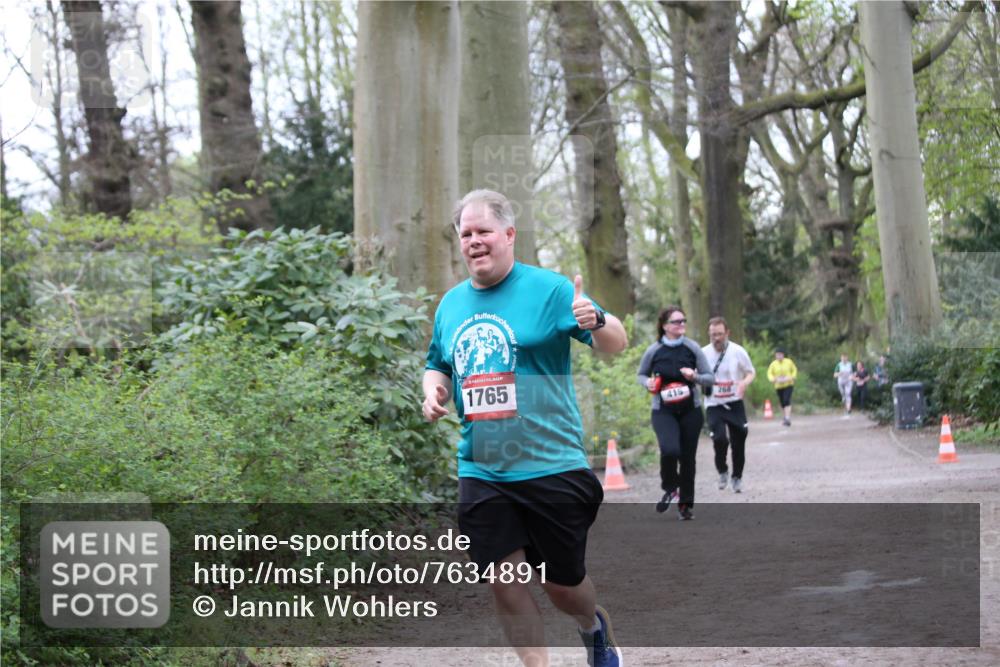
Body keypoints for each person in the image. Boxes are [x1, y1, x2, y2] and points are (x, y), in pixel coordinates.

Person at [422, 189, 628, 667]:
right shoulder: (450, 305)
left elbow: (615, 342)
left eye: (484, 231)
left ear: (509, 234)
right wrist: (434, 392)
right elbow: (438, 364)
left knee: (563, 586)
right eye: (466, 234)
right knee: (504, 579)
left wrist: (597, 319)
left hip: (552, 463)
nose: (474, 241)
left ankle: (592, 626)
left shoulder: (550, 290)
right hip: (482, 468)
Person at [636, 306, 714, 520]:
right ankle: (670, 487)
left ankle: (685, 506)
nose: (681, 325)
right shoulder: (654, 350)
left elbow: (710, 378)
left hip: (691, 411)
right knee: (670, 450)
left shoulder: (692, 348)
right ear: (664, 326)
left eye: (683, 321)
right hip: (663, 411)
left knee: (688, 458)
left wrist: (694, 377)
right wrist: (648, 382)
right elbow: (641, 375)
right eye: (676, 321)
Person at [701, 316, 756, 494]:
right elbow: (695, 375)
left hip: (734, 402)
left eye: (719, 334)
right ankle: (722, 471)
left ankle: (737, 477)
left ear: (727, 333)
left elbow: (750, 372)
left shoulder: (738, 351)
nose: (716, 338)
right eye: (713, 335)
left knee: (739, 439)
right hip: (713, 403)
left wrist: (744, 383)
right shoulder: (703, 353)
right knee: (719, 439)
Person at [766, 348, 797, 426]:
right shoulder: (773, 364)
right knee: (782, 402)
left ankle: (787, 418)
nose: (778, 356)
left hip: (788, 384)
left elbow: (794, 370)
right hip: (778, 386)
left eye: (780, 354)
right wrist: (773, 379)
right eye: (777, 355)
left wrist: (792, 377)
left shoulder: (789, 362)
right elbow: (769, 373)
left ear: (783, 355)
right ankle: (785, 416)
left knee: (786, 400)